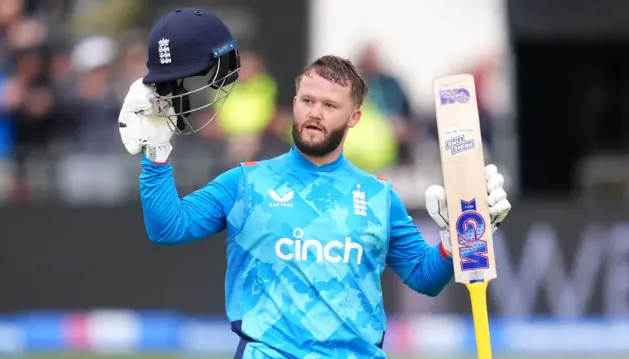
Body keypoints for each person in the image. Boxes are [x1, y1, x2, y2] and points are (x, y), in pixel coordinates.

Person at [118, 8, 512, 359]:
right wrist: (156, 153)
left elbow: (424, 278)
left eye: (329, 106)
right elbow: (167, 227)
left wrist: (455, 240)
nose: (315, 113)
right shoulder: (245, 183)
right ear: (293, 102)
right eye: (307, 101)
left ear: (354, 117)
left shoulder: (378, 197)